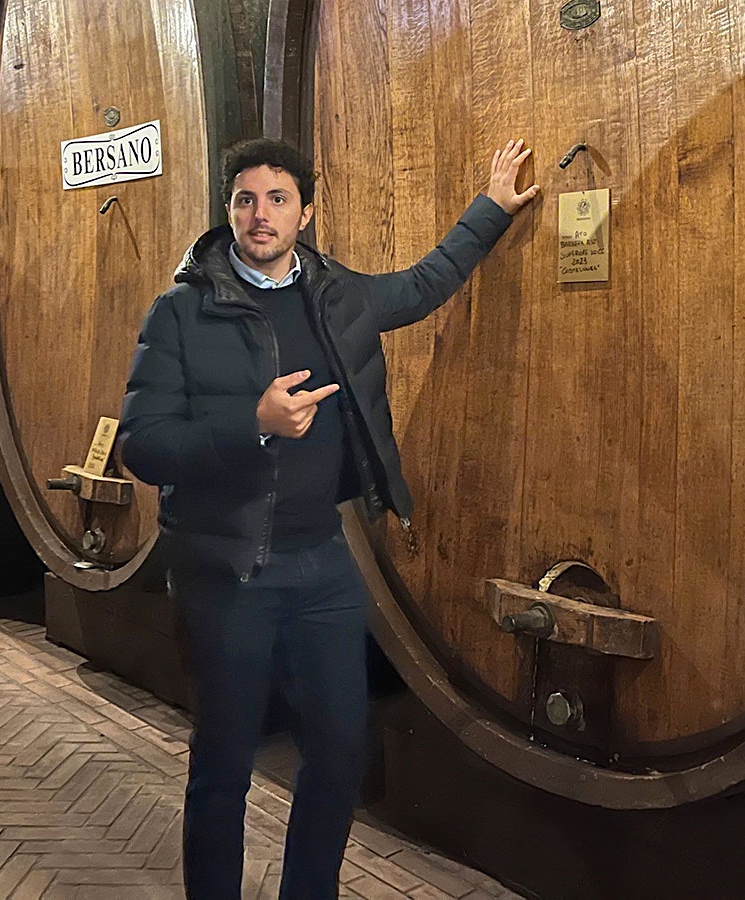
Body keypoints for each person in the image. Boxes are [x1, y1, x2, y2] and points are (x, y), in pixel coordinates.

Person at [118, 137, 540, 899]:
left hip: (321, 564)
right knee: (224, 765)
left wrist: (492, 210)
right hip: (227, 570)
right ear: (228, 210)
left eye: (278, 199)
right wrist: (254, 421)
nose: (260, 214)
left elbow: (422, 285)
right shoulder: (182, 311)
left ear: (305, 212)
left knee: (341, 754)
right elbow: (142, 446)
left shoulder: (335, 293)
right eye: (245, 198)